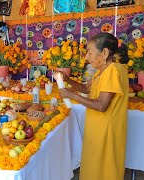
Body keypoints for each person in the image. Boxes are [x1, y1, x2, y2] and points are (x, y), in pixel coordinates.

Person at [56, 32, 129, 180]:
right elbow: (86, 89)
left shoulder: (113, 71)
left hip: (107, 130)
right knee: (94, 167)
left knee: (105, 169)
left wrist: (71, 95)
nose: (86, 57)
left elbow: (102, 105)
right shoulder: (103, 71)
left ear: (104, 52)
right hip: (97, 129)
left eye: (90, 52)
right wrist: (67, 79)